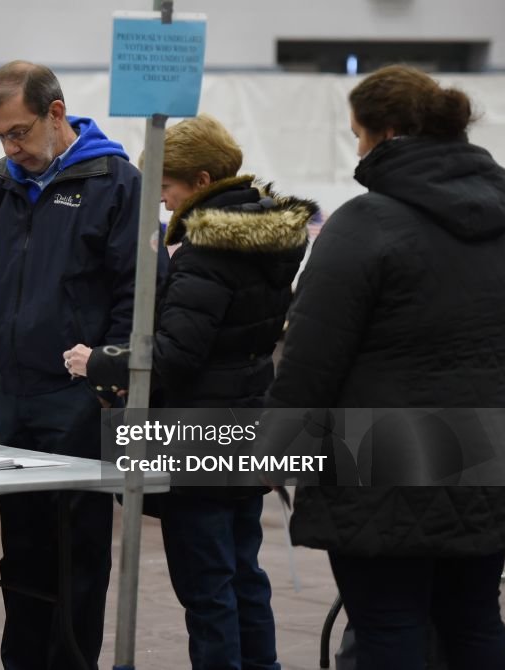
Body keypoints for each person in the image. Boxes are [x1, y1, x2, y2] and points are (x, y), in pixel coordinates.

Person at [265, 64, 505, 669]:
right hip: (489, 452)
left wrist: (274, 446)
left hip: (379, 461)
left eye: (357, 134)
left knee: (388, 626)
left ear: (387, 134)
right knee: (475, 618)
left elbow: (309, 360)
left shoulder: (363, 224)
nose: (356, 149)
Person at [0, 60, 140, 669]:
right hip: (12, 393)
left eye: (19, 131)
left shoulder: (115, 182)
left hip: (79, 400)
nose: (12, 147)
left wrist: (109, 370)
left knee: (78, 551)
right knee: (23, 547)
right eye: (1, 136)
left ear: (57, 113)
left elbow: (137, 293)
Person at [66, 114, 314, 670]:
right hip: (251, 419)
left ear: (201, 181)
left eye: (166, 185)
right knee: (245, 573)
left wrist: (99, 361)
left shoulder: (207, 250)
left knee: (206, 587)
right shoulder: (272, 239)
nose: (158, 198)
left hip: (197, 434)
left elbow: (175, 356)